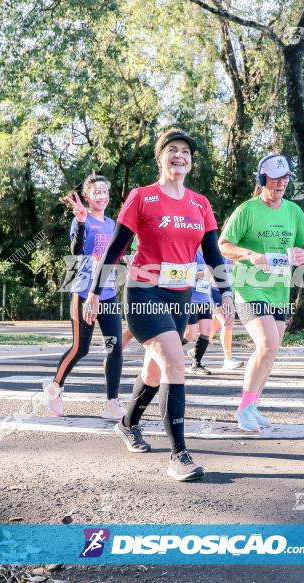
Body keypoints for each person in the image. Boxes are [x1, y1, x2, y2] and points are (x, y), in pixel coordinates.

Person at [85, 128, 234, 481]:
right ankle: (179, 455)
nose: (179, 155)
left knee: (156, 369)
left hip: (179, 295)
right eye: (172, 150)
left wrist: (225, 291)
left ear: (191, 161)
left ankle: (127, 424)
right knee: (175, 361)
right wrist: (94, 290)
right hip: (144, 291)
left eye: (185, 151)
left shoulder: (200, 203)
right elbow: (116, 247)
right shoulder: (142, 197)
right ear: (160, 157)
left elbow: (212, 253)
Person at [219, 153, 304, 432]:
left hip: (279, 291)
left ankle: (252, 404)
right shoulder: (247, 210)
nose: (282, 183)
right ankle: (243, 409)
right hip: (250, 287)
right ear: (262, 180)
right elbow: (223, 245)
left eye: (285, 178)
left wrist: (303, 254)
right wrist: (249, 254)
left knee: (271, 351)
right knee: (268, 345)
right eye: (275, 178)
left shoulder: (293, 212)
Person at [43, 175, 127, 421]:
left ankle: (112, 402)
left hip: (108, 291)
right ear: (87, 196)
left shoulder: (112, 223)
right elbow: (76, 253)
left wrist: (127, 259)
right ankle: (55, 388)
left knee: (115, 347)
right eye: (96, 192)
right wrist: (80, 223)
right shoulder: (81, 220)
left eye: (105, 191)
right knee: (81, 348)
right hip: (83, 292)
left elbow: (112, 256)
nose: (102, 196)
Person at [208, 258, 244, 370]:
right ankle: (228, 359)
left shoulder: (238, 252)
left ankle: (198, 349)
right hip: (213, 291)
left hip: (228, 292)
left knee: (216, 323)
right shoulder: (215, 250)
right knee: (227, 322)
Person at [185, 249, 215, 375]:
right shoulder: (189, 251)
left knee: (206, 331)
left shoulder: (209, 253)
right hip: (190, 298)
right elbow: (181, 275)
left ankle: (196, 363)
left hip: (204, 298)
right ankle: (162, 350)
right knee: (190, 335)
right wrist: (202, 274)